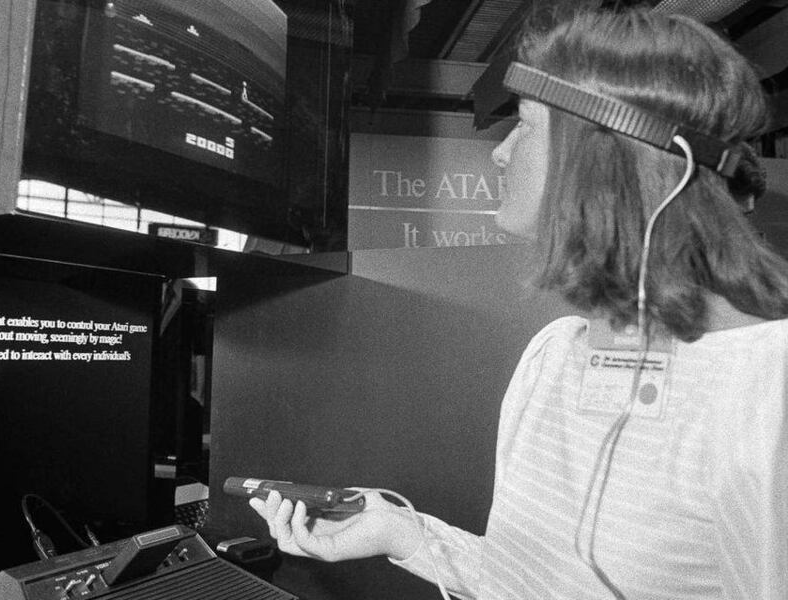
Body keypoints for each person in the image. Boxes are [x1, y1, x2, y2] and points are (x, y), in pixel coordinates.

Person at [251, 7, 788, 599]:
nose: (500, 153)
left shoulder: (768, 390)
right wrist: (404, 535)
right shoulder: (552, 355)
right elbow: (524, 579)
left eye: (526, 125)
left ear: (606, 156)